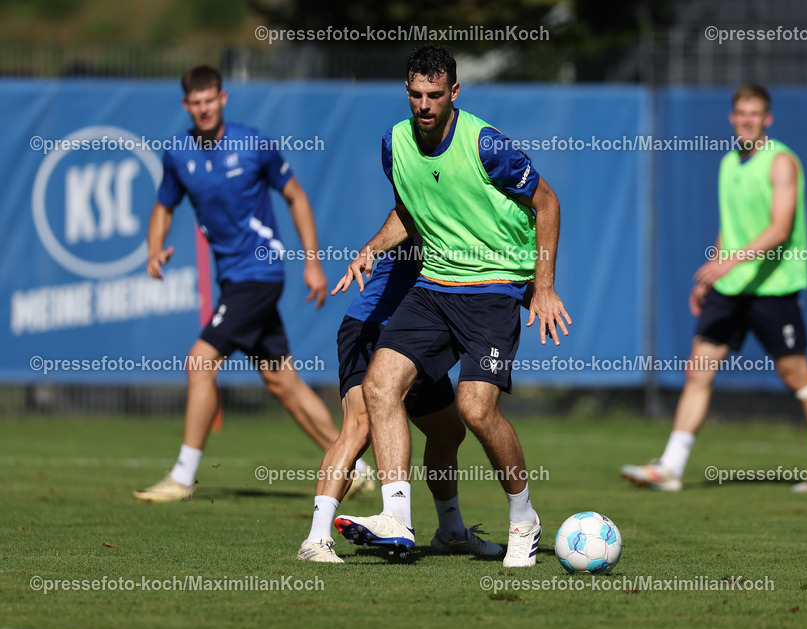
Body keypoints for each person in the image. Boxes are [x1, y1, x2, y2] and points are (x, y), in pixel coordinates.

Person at [332, 43, 570, 567]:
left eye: (434, 95)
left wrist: (544, 286)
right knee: (378, 385)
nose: (423, 105)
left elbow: (547, 202)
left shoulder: (485, 143)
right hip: (435, 287)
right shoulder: (394, 144)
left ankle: (524, 518)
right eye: (415, 94)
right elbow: (410, 210)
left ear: (454, 93)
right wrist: (372, 248)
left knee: (475, 411)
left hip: (492, 291)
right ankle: (396, 517)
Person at [134, 65, 363, 501]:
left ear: (223, 99)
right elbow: (164, 206)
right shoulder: (178, 152)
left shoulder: (254, 144)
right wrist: (154, 248)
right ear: (187, 105)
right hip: (234, 280)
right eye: (194, 103)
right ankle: (355, 466)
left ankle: (182, 478)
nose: (203, 109)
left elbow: (296, 197)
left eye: (210, 100)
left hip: (260, 273)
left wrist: (312, 263)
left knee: (199, 361)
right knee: (282, 382)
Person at [621, 84, 807, 493]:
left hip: (774, 287)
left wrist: (728, 262)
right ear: (731, 117)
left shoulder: (781, 163)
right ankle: (670, 466)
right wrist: (713, 275)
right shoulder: (728, 162)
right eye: (741, 113)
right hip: (731, 287)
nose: (747, 120)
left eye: (755, 114)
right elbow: (731, 227)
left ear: (767, 119)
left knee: (797, 376)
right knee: (698, 370)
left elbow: (779, 228)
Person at [297, 231, 501, 562]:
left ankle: (451, 532)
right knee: (360, 425)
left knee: (448, 432)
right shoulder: (428, 204)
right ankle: (316, 539)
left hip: (418, 336)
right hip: (372, 326)